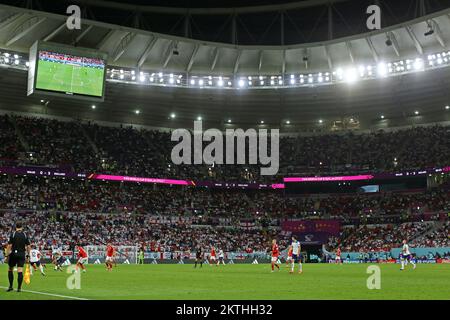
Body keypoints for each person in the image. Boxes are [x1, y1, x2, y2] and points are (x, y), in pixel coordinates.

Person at [5, 220, 31, 292]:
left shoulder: (13, 234)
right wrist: (28, 255)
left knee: (10, 269)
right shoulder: (25, 235)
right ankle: (19, 288)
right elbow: (28, 246)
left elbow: (9, 245)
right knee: (20, 271)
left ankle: (11, 286)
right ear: (22, 227)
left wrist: (6, 255)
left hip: (13, 254)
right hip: (22, 254)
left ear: (16, 227)